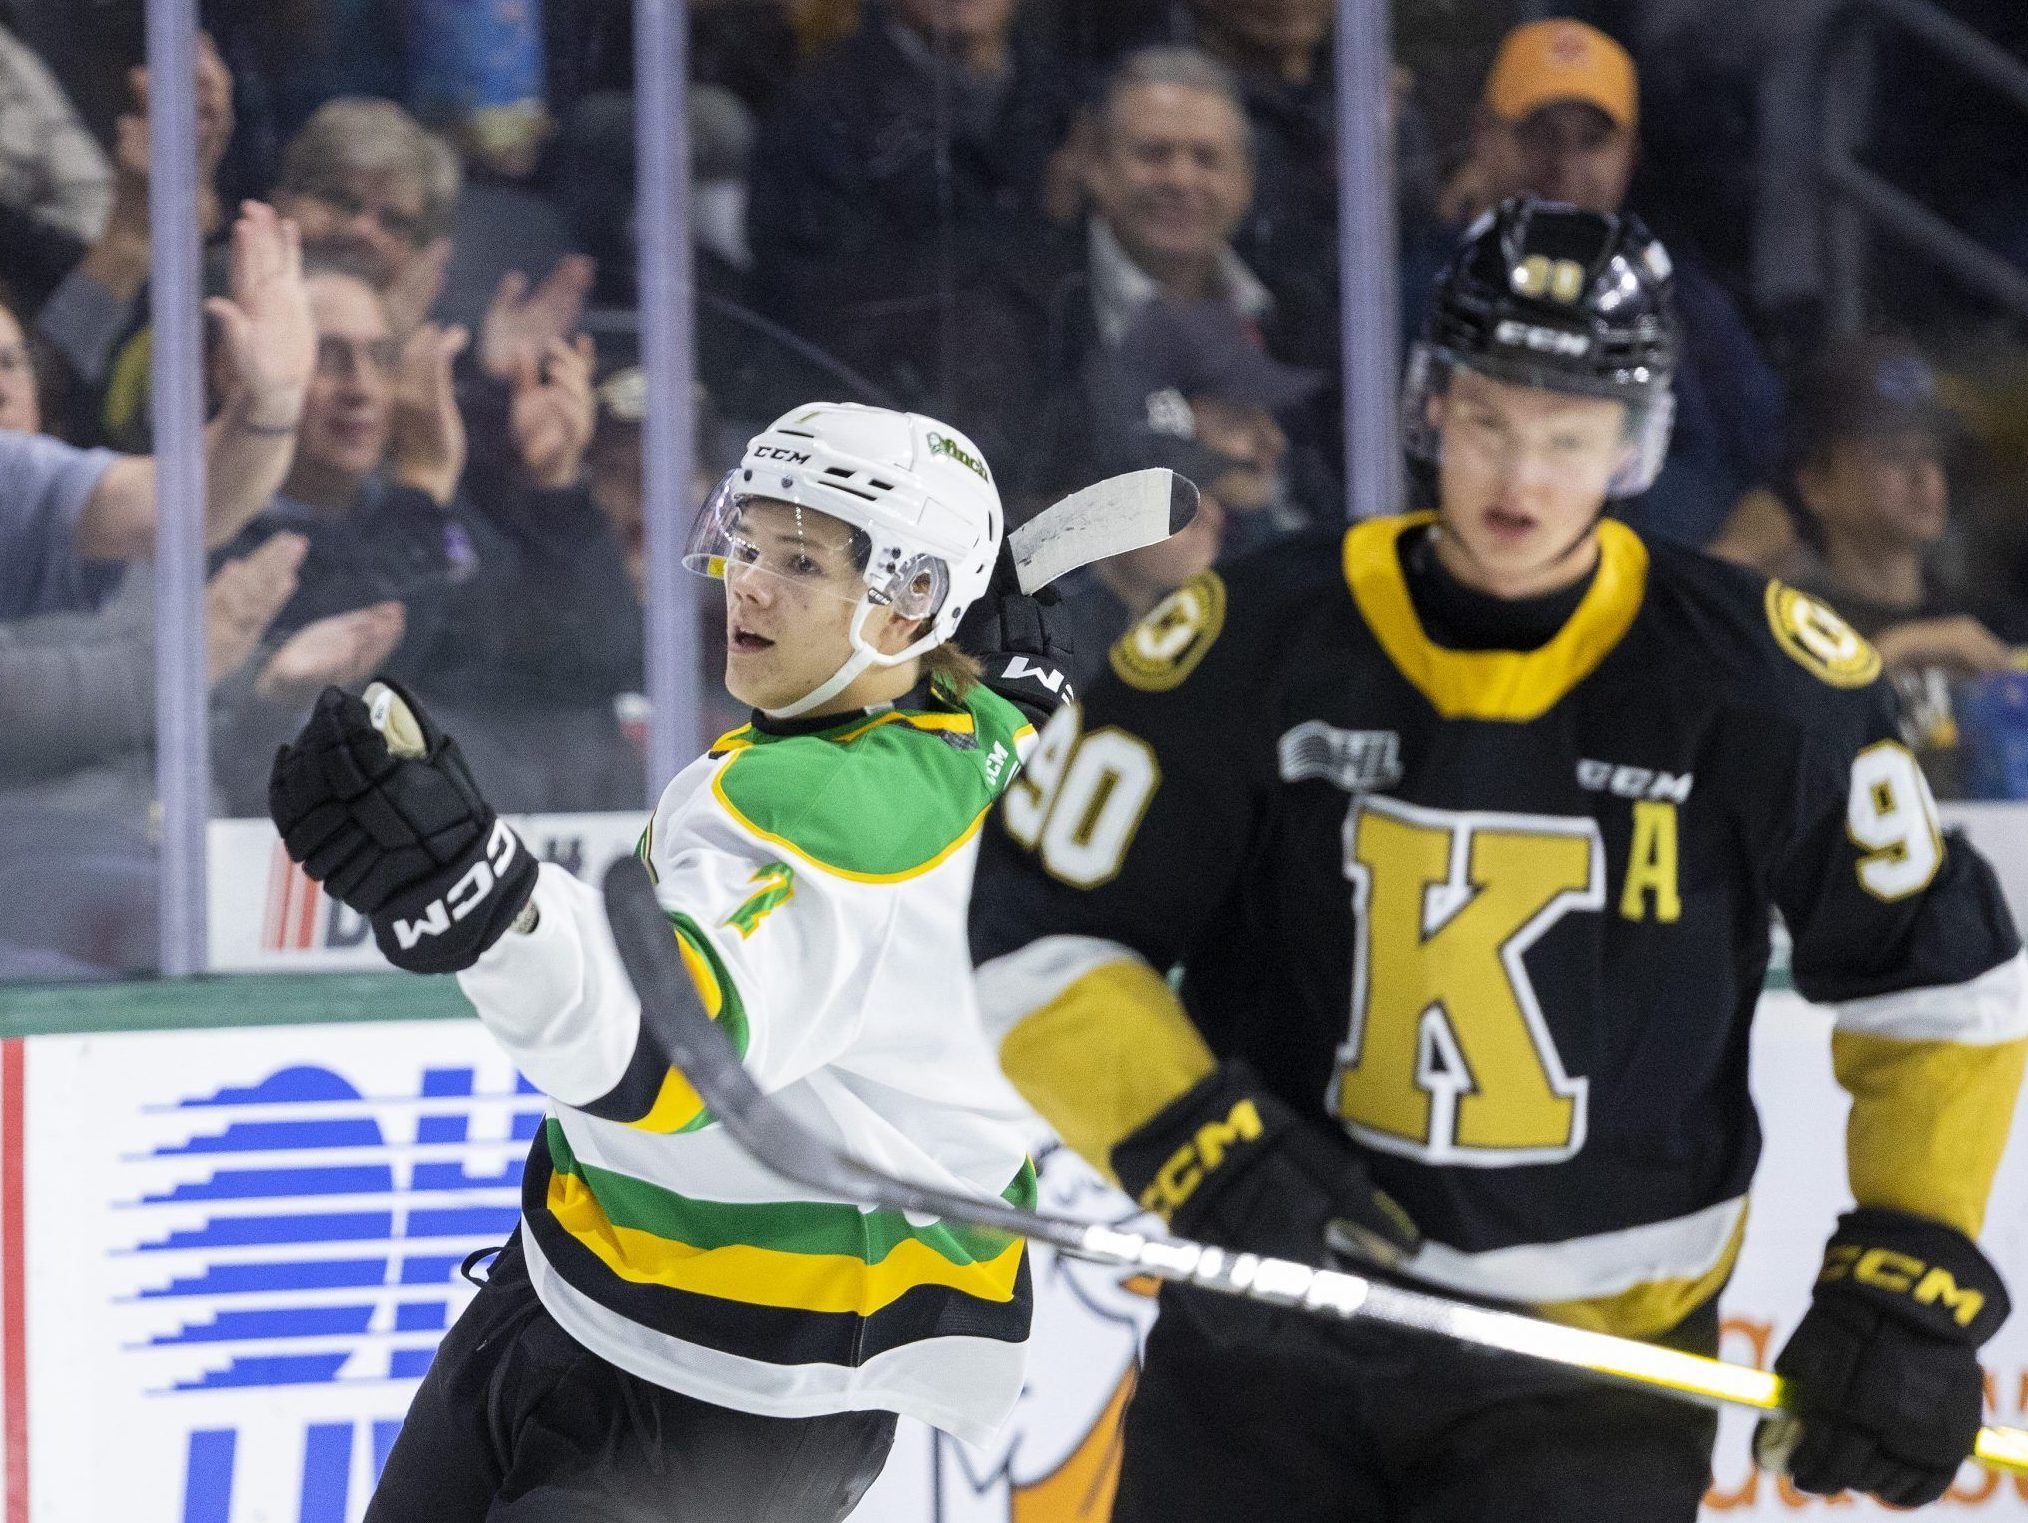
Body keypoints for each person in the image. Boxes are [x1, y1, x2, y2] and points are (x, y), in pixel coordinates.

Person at [969, 199, 2024, 1518]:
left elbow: (1937, 977)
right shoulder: (1246, 643)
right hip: (1274, 1347)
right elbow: (1041, 923)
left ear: (1633, 445)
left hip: (1590, 1373)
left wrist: (1906, 1266)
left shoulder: (1758, 677)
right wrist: (1197, 1145)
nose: (1519, 479)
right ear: (1429, 408)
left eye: (1567, 435)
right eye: (1488, 422)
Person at [268, 403, 1044, 1519]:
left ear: (914, 598)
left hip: (734, 1400)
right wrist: (1013, 678)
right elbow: (1006, 699)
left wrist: (484, 901)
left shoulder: (825, 807)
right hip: (573, 1285)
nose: (750, 583)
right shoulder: (970, 726)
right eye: (750, 542)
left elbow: (671, 1057)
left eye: (803, 561)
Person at [1417, 18, 1783, 550]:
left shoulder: (1679, 299)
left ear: (1628, 158)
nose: (1564, 166)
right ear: (1484, 135)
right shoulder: (1418, 285)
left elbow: (1772, 474)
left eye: (1592, 142)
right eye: (1540, 136)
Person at [0, 200, 315, 620]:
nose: (2, 391)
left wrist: (271, 402)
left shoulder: (19, 487)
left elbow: (177, 509)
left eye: (8, 363)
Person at [1781, 336, 2024, 798]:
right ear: (1816, 485)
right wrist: (1897, 650)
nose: (1924, 475)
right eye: (1892, 454)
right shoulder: (1788, 621)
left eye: (1933, 453)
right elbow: (1785, 756)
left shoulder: (1984, 620)